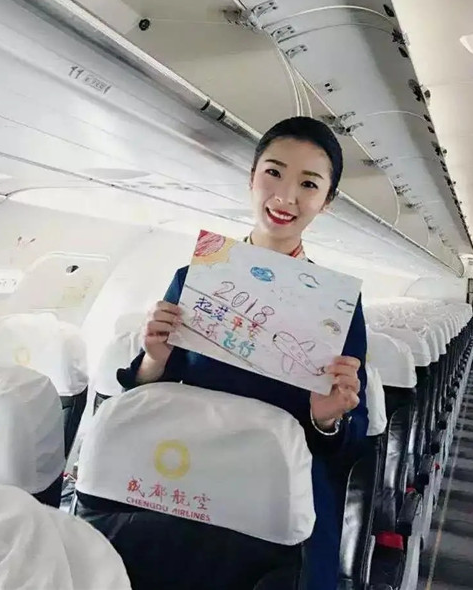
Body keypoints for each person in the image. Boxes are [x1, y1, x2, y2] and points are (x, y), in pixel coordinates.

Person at [117, 116, 368, 589]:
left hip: (280, 498)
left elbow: (351, 443)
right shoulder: (194, 279)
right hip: (190, 472)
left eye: (308, 184)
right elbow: (151, 400)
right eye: (273, 173)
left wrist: (327, 418)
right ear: (252, 177)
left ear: (327, 201)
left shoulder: (338, 311)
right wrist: (154, 358)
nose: (285, 197)